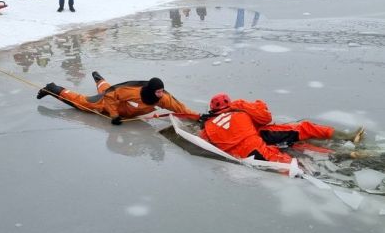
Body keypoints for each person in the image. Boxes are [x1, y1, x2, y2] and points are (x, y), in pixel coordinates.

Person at [199, 94, 365, 164]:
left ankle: (345, 155)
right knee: (302, 129)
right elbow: (264, 116)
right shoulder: (239, 110)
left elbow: (206, 144)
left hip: (250, 146)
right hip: (258, 136)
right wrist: (241, 105)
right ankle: (347, 137)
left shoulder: (207, 126)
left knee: (288, 160)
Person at [36, 72, 198, 125]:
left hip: (120, 101)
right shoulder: (132, 91)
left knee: (107, 89)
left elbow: (180, 108)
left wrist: (197, 117)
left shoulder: (163, 98)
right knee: (82, 103)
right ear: (149, 91)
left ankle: (99, 79)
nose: (161, 95)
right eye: (158, 92)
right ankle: (53, 88)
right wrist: (113, 115)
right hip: (110, 103)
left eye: (162, 91)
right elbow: (111, 96)